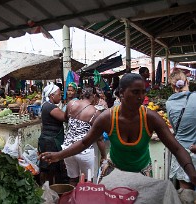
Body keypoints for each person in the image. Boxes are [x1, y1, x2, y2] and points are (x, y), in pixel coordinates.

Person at [40, 73, 196, 186]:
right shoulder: (107, 118)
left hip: (142, 173)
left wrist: (191, 172)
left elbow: (175, 147)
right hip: (114, 173)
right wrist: (59, 155)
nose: (141, 97)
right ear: (121, 94)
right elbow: (84, 142)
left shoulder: (151, 118)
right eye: (135, 92)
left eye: (143, 92)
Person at [63, 87, 106, 186]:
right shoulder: (95, 113)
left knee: (73, 179)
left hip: (68, 148)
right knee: (88, 182)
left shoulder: (71, 104)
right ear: (94, 96)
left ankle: (72, 200)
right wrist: (103, 155)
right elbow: (99, 139)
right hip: (84, 151)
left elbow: (66, 119)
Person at [166, 70, 196, 190]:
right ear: (187, 81)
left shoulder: (169, 103)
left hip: (181, 152)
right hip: (194, 148)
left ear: (172, 86)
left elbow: (175, 127)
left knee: (185, 193)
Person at [39, 83, 67, 185]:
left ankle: (49, 187)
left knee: (48, 166)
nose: (60, 97)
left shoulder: (47, 105)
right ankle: (50, 187)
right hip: (50, 141)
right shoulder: (49, 107)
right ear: (52, 95)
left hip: (48, 139)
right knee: (50, 166)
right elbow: (64, 117)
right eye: (59, 95)